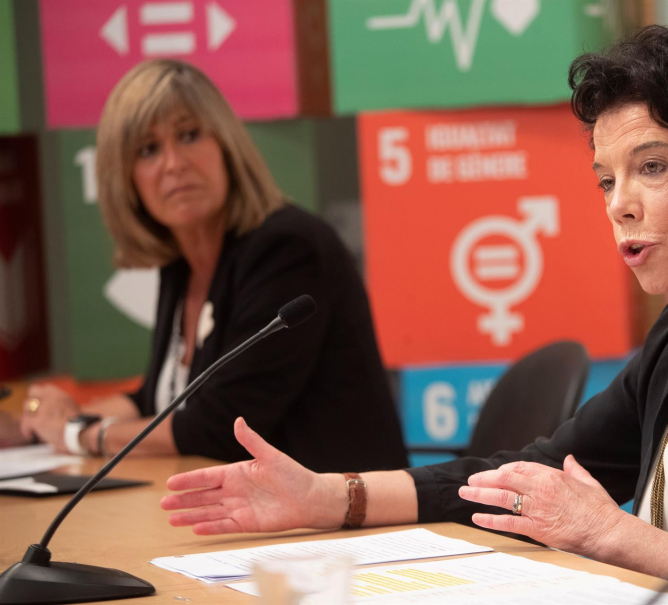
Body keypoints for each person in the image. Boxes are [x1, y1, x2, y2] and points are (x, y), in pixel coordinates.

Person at [159, 27, 668, 604]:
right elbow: (526, 474)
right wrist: (330, 496)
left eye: (651, 167)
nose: (620, 204)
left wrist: (613, 535)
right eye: (606, 179)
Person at [4, 59, 408, 472]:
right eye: (148, 149)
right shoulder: (182, 263)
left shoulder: (288, 249)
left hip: (341, 504)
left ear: (226, 145)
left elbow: (219, 426)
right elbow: (158, 399)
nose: (174, 163)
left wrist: (80, 434)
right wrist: (39, 425)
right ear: (125, 179)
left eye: (189, 135)